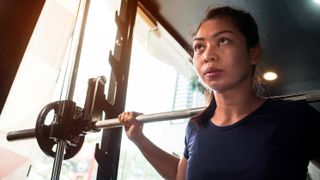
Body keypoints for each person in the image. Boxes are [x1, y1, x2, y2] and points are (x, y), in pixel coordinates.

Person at [118, 6, 320, 180]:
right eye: (199, 46)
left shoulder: (294, 117)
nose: (208, 55)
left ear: (254, 53)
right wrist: (139, 139)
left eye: (223, 41)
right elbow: (181, 176)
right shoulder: (196, 126)